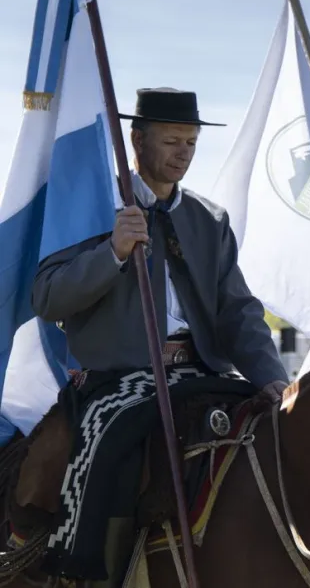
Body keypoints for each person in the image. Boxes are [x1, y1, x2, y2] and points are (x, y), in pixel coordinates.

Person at [29, 88, 288, 587]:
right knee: (110, 444)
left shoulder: (210, 221)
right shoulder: (92, 209)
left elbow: (238, 312)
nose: (184, 153)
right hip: (119, 376)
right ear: (137, 141)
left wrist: (274, 379)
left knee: (265, 444)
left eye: (191, 142)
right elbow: (48, 298)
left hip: (201, 371)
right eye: (172, 141)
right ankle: (86, 573)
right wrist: (114, 252)